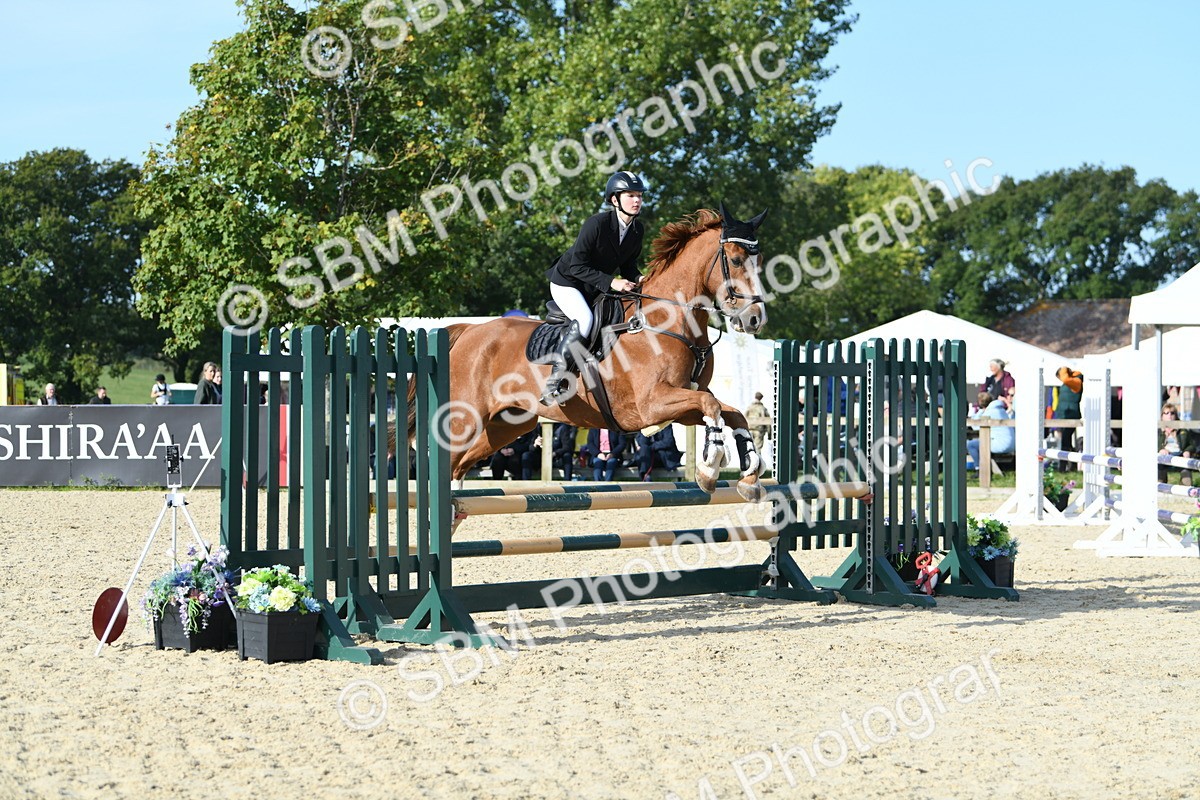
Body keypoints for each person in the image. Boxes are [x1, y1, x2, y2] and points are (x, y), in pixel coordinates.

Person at [541, 171, 646, 404]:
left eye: (639, 195)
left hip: (595, 286)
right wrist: (612, 282)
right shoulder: (596, 224)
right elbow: (578, 266)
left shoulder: (637, 230)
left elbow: (628, 265)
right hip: (567, 282)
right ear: (614, 200)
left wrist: (639, 279)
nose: (637, 200)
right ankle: (555, 381)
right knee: (586, 320)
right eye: (631, 195)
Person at [967, 390, 1015, 471]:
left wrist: (981, 411)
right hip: (1012, 444)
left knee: (971, 444)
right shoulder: (1001, 409)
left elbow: (975, 426)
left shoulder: (989, 412)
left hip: (1001, 445)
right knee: (981, 442)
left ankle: (979, 468)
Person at [1054, 366, 1083, 471]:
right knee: (1066, 442)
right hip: (1064, 416)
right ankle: (1072, 465)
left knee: (1065, 441)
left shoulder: (1076, 381)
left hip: (1071, 416)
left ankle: (1062, 467)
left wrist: (1063, 369)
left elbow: (1066, 379)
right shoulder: (1070, 382)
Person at [1158, 403, 1195, 485]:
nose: (1169, 415)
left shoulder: (1183, 430)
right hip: (1164, 458)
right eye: (1166, 413)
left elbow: (1192, 445)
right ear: (1162, 416)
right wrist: (1160, 449)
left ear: (1176, 416)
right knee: (1159, 470)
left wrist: (1187, 451)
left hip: (1180, 456)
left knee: (1186, 472)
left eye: (1172, 413)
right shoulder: (1158, 430)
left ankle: (1186, 494)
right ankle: (1160, 492)